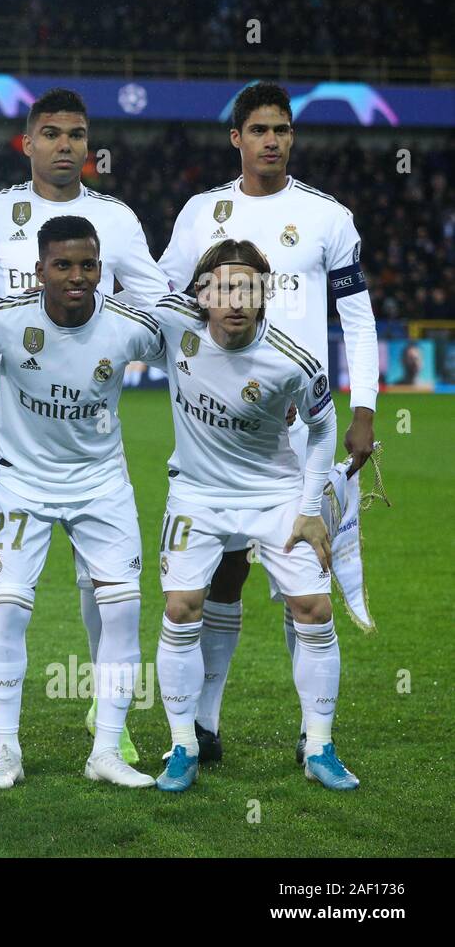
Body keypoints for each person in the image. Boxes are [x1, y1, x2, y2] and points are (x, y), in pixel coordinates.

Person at [157, 81, 379, 763]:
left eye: (282, 129)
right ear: (237, 138)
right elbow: (166, 292)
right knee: (221, 579)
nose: (273, 141)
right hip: (219, 429)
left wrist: (365, 409)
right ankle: (205, 727)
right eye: (259, 130)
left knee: (301, 586)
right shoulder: (201, 212)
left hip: (303, 424)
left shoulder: (327, 217)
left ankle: (314, 738)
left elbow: (358, 317)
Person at [0, 87, 170, 764]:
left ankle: (106, 713)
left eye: (76, 134)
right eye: (50, 132)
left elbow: (157, 302)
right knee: (4, 583)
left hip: (88, 423)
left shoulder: (114, 219)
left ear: (89, 145)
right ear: (26, 141)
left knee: (102, 585)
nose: (64, 145)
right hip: (12, 424)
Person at [148, 239, 357, 792]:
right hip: (196, 492)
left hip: (275, 494)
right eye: (223, 287)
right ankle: (183, 745)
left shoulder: (295, 361)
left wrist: (310, 510)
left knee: (313, 607)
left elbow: (322, 429)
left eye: (248, 287)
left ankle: (319, 744)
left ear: (266, 293)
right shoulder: (174, 325)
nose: (236, 299)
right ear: (202, 293)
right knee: (181, 606)